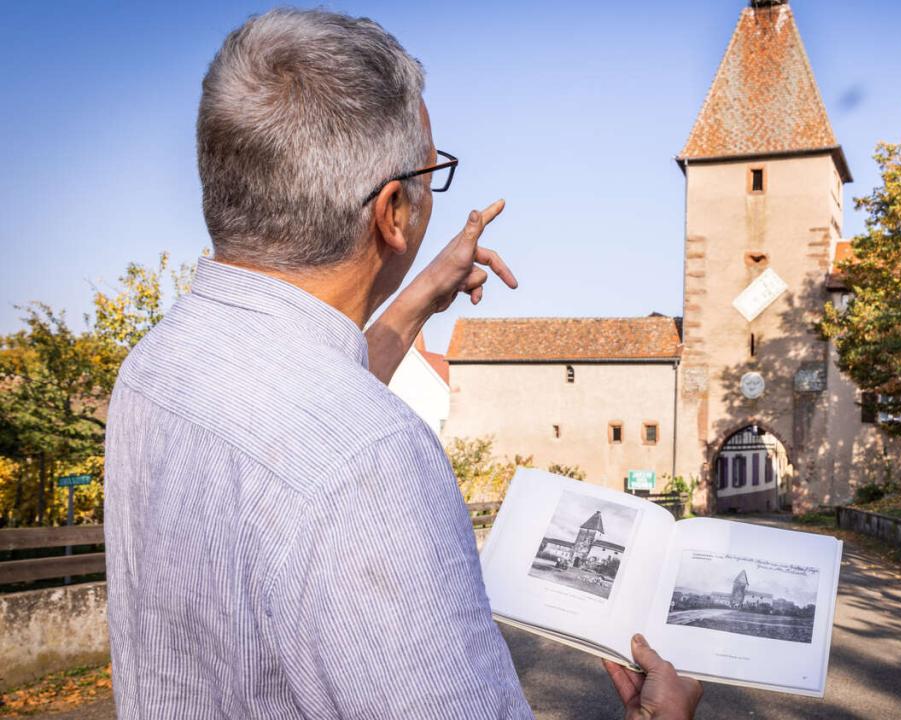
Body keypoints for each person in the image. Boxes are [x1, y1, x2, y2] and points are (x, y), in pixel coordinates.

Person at [103, 9, 701, 719]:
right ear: (392, 212)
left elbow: (305, 399)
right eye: (429, 174)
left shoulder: (154, 366)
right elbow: (336, 437)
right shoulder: (376, 460)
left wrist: (417, 294)